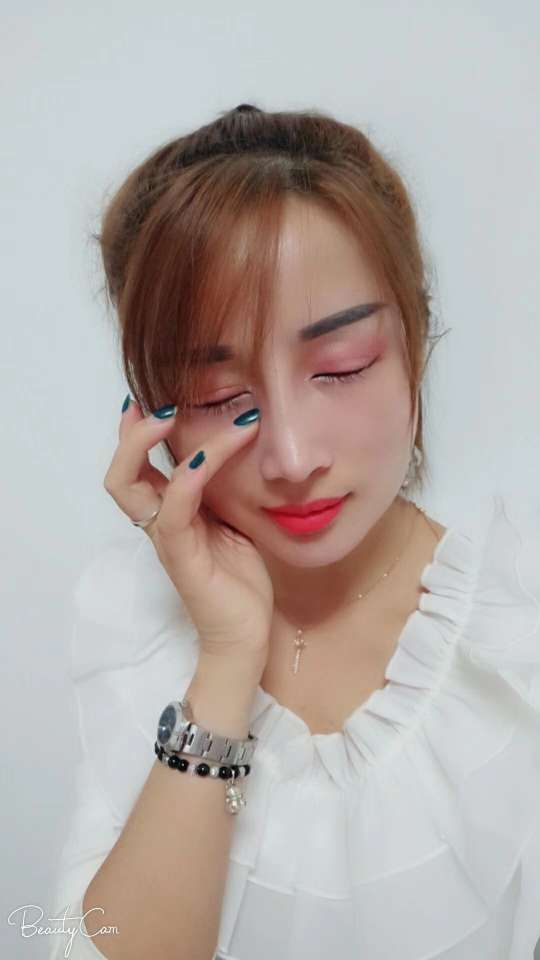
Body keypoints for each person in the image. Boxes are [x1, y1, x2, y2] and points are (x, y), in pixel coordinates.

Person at [48, 104, 540, 960]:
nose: (292, 456)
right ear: (156, 414)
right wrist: (227, 657)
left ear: (415, 341)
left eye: (341, 368)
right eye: (217, 397)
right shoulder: (132, 621)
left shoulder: (516, 628)